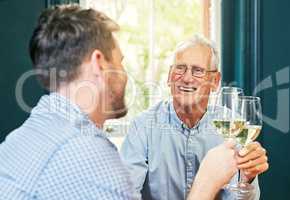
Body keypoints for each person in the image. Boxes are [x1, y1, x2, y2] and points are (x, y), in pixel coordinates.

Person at [0, 5, 245, 200]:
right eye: (120, 62)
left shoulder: (26, 135)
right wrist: (206, 183)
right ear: (99, 63)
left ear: (215, 81)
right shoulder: (89, 156)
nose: (125, 74)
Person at [120, 35, 269, 200]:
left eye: (198, 70)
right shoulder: (142, 127)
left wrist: (247, 179)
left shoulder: (233, 126)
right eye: (180, 68)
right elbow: (124, 195)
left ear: (215, 81)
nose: (187, 78)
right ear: (169, 76)